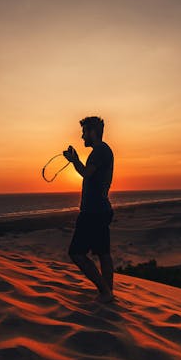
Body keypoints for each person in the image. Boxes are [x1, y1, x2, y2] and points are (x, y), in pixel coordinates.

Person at [64, 116, 115, 303]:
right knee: (103, 252)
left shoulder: (99, 151)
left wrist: (74, 160)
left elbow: (86, 173)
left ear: (92, 132)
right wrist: (75, 160)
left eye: (84, 132)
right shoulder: (104, 150)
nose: (82, 136)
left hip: (93, 212)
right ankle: (108, 293)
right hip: (101, 210)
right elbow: (90, 174)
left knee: (76, 253)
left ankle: (104, 291)